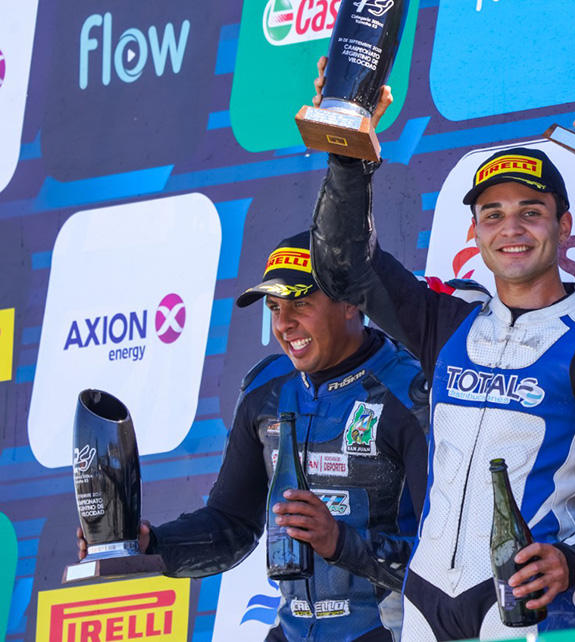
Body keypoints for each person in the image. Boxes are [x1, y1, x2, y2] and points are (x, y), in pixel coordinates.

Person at [307, 64, 575, 641]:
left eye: (531, 212)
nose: (512, 229)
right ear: (475, 232)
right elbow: (345, 266)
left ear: (564, 225)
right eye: (493, 215)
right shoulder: (448, 321)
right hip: (426, 600)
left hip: (528, 604)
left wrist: (572, 559)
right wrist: (348, 148)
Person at [77, 231, 430, 642]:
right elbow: (231, 526)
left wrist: (340, 543)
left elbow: (447, 562)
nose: (283, 324)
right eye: (275, 307)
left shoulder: (412, 393)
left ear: (351, 301)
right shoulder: (267, 388)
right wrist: (151, 545)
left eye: (300, 303)